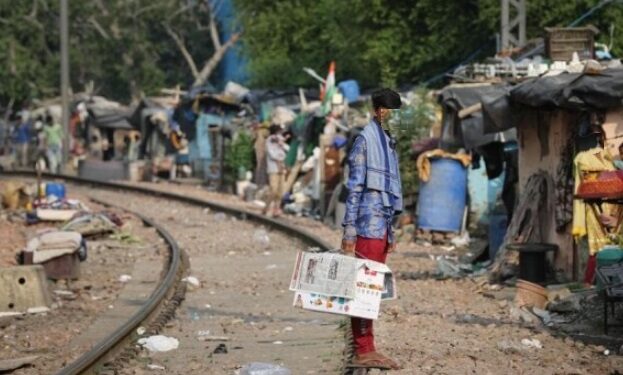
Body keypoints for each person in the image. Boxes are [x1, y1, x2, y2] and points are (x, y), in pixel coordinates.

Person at [342, 88, 403, 370]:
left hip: (382, 226)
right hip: (367, 225)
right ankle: (363, 348)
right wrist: (349, 232)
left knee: (373, 288)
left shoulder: (388, 143)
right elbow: (354, 188)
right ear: (380, 110)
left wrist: (391, 233)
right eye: (393, 112)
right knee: (364, 289)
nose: (396, 119)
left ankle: (369, 346)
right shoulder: (364, 141)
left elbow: (390, 192)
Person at [263, 124, 289, 217]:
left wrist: (282, 144)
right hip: (273, 167)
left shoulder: (280, 139)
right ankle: (267, 207)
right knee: (273, 188)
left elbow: (288, 149)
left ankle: (276, 209)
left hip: (282, 167)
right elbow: (271, 154)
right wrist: (279, 158)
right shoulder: (269, 140)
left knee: (280, 189)